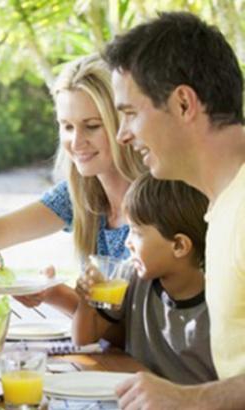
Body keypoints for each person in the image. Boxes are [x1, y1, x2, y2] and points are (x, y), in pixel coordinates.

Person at [0, 54, 145, 312]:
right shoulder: (77, 195)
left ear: (123, 125)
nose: (76, 142)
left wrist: (56, 292)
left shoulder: (155, 203)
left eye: (92, 126)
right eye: (67, 127)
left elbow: (129, 326)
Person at [105, 11, 245, 409]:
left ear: (183, 103)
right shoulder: (221, 204)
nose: (122, 134)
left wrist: (190, 399)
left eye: (131, 112)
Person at [73, 173, 215, 384]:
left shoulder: (215, 305)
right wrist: (87, 301)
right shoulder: (133, 279)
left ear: (179, 246)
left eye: (136, 233)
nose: (127, 243)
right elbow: (83, 343)